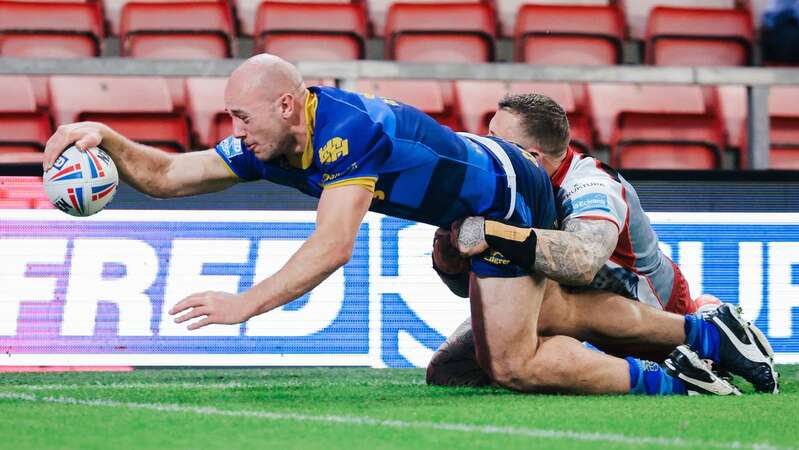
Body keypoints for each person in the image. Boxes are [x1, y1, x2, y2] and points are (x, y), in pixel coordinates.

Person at [44, 54, 742, 396]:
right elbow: (167, 176)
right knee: (513, 336)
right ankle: (706, 334)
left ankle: (681, 384)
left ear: (288, 105)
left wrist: (243, 306)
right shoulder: (278, 141)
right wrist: (105, 134)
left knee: (513, 365)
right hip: (476, 202)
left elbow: (333, 246)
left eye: (240, 117)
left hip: (507, 196)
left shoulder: (348, 133)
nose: (234, 131)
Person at [428, 93, 779, 395]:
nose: (483, 148)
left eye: (494, 140)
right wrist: (450, 259)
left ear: (530, 155)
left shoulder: (591, 186)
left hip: (651, 308)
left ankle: (702, 333)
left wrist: (493, 233)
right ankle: (693, 344)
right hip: (576, 310)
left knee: (534, 319)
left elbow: (582, 265)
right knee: (451, 369)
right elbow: (471, 288)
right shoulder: (506, 188)